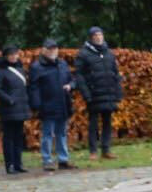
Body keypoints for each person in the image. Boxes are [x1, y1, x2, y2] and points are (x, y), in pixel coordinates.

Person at [73, 26, 123, 158]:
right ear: (91, 38)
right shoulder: (83, 54)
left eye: (100, 35)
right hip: (94, 95)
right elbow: (79, 76)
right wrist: (86, 94)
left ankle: (106, 150)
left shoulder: (109, 53)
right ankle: (93, 151)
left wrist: (118, 93)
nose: (99, 38)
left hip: (108, 93)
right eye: (96, 36)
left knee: (107, 122)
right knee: (93, 124)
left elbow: (116, 74)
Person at [28, 39, 75, 171]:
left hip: (63, 103)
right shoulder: (37, 67)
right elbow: (33, 88)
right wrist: (37, 105)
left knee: (62, 133)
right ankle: (47, 160)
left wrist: (70, 86)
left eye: (55, 48)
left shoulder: (62, 63)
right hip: (47, 105)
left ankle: (63, 160)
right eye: (50, 49)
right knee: (48, 134)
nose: (53, 51)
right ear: (44, 50)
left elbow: (72, 79)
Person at [0, 45, 30, 175]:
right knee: (9, 138)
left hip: (21, 108)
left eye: (15, 54)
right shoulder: (0, 70)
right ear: (6, 56)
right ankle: (10, 165)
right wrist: (8, 99)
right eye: (11, 55)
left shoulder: (20, 68)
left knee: (19, 137)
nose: (14, 57)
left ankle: (18, 164)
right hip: (9, 108)